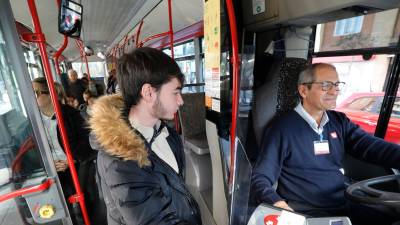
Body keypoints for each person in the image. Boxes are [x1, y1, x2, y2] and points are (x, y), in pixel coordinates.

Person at [250, 63, 400, 225]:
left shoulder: (339, 122)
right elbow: (261, 177)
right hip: (308, 212)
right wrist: (278, 204)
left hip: (343, 203)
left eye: (336, 85)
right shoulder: (282, 129)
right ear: (303, 91)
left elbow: (373, 147)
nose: (334, 91)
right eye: (326, 85)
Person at [89, 47, 201, 225]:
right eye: (175, 92)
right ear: (149, 92)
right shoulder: (119, 160)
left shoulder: (168, 134)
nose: (181, 101)